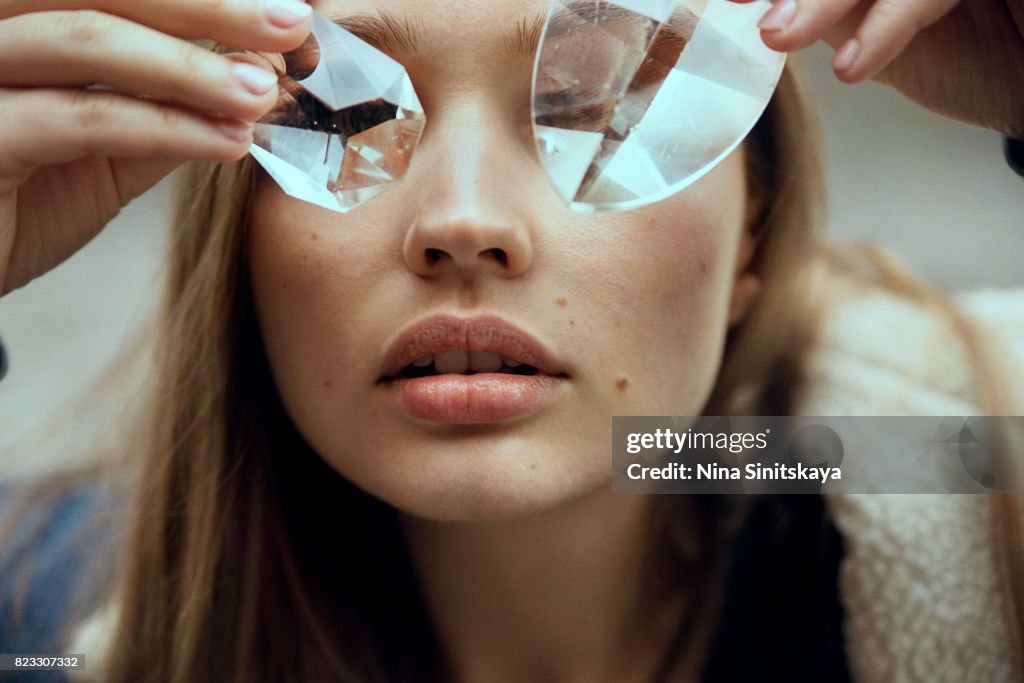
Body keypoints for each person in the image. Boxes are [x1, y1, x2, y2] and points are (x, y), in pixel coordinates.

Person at [0, 0, 1022, 681]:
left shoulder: (960, 474)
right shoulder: (33, 613)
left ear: (752, 220)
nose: (463, 220)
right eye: (347, 118)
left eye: (598, 111)